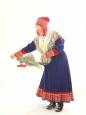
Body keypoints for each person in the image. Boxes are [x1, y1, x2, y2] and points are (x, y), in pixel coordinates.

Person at [11, 17, 74, 112]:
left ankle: (60, 103)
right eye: (36, 27)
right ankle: (52, 101)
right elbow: (29, 47)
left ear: (43, 26)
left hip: (59, 60)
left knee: (59, 79)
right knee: (49, 80)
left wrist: (48, 54)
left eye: (38, 26)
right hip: (48, 62)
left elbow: (60, 46)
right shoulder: (37, 39)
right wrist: (16, 54)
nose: (36, 29)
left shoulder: (54, 34)